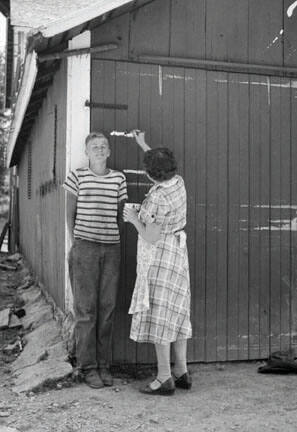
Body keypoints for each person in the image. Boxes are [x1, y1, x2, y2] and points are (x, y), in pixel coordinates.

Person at [123, 131, 192, 396]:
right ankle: (181, 371)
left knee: (161, 313)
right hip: (178, 255)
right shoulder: (178, 182)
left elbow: (151, 235)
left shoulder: (156, 198)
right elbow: (160, 168)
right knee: (177, 309)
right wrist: (143, 144)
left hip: (160, 257)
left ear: (150, 174)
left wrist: (133, 218)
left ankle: (164, 377)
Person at [63, 132, 127, 389]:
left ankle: (103, 365)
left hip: (111, 249)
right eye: (94, 147)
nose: (99, 150)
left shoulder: (118, 179)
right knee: (86, 310)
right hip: (85, 249)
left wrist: (112, 240)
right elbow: (70, 214)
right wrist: (77, 243)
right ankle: (87, 367)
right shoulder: (77, 176)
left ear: (109, 152)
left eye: (103, 146)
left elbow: (121, 216)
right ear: (87, 152)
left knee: (107, 308)